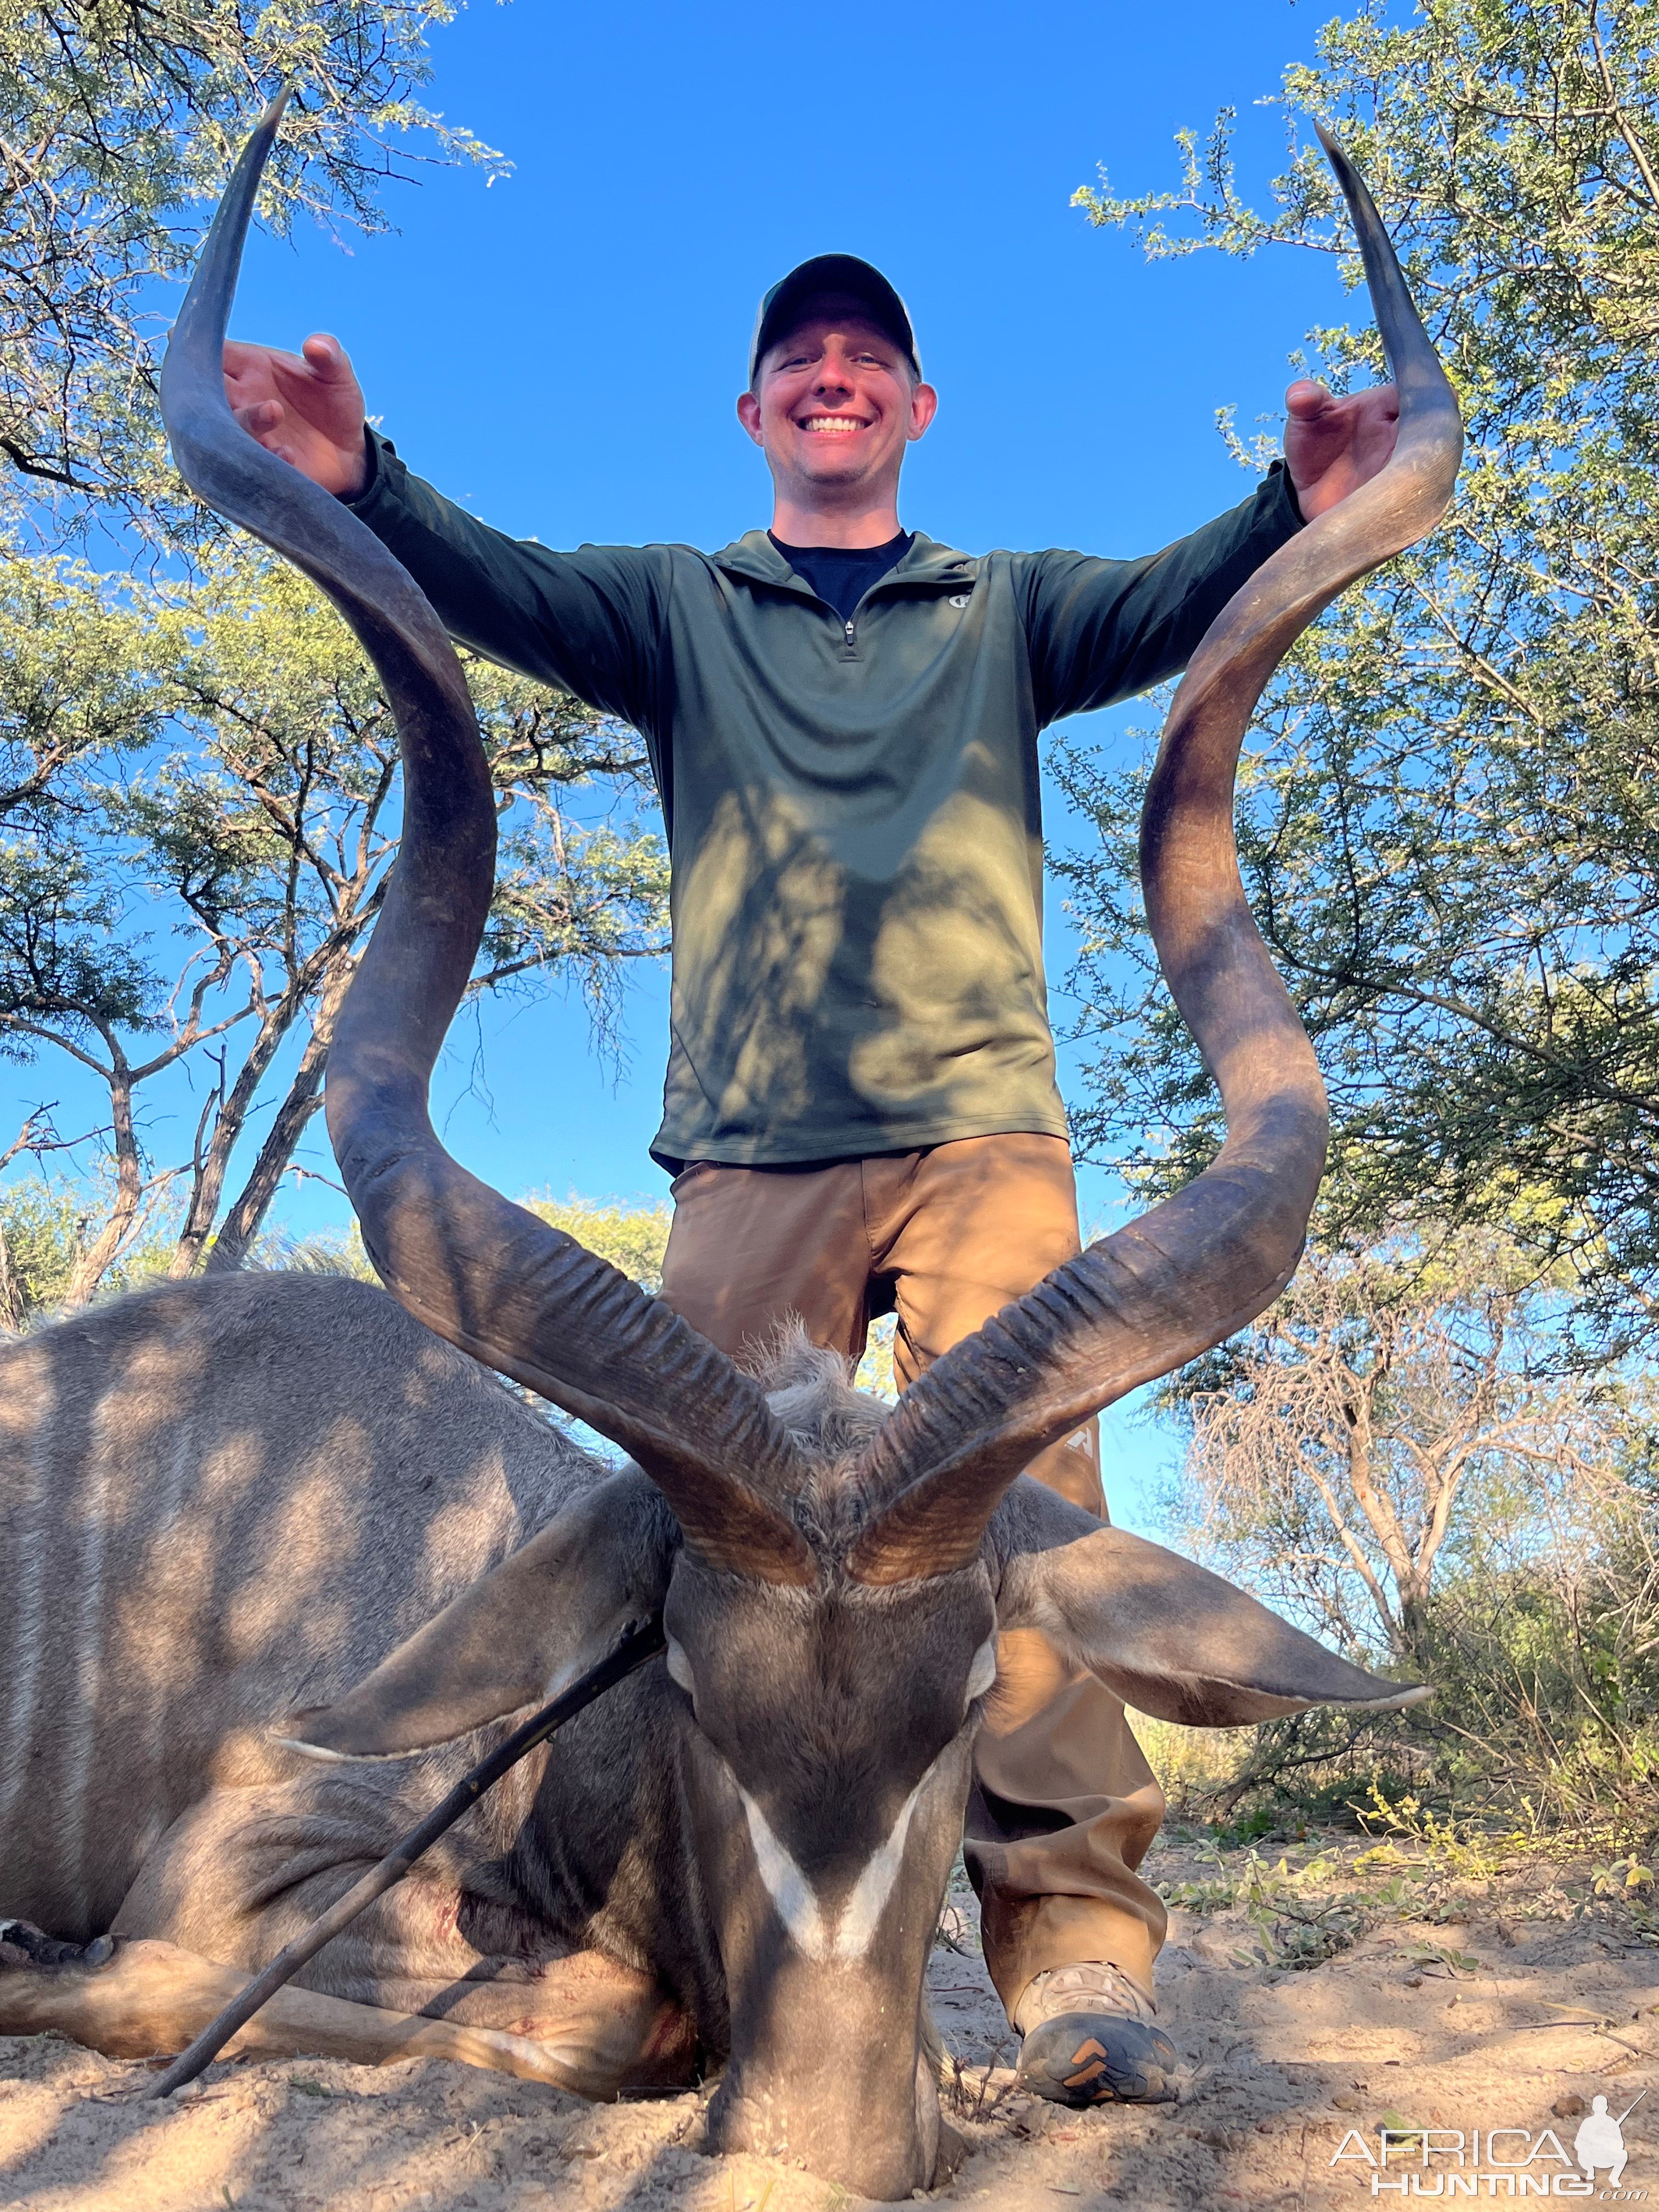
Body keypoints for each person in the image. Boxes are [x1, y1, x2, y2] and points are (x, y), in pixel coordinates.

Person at [223, 253, 1399, 2107]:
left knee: (1028, 1541)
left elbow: (1183, 599)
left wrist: (1289, 504)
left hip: (984, 1133)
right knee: (702, 1556)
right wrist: (364, 482)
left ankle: (1079, 1957)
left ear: (918, 411)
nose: (834, 377)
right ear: (756, 414)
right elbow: (498, 583)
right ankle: (692, 1934)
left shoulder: (1007, 609)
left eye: (870, 359)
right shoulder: (673, 609)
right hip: (753, 1147)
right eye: (800, 360)